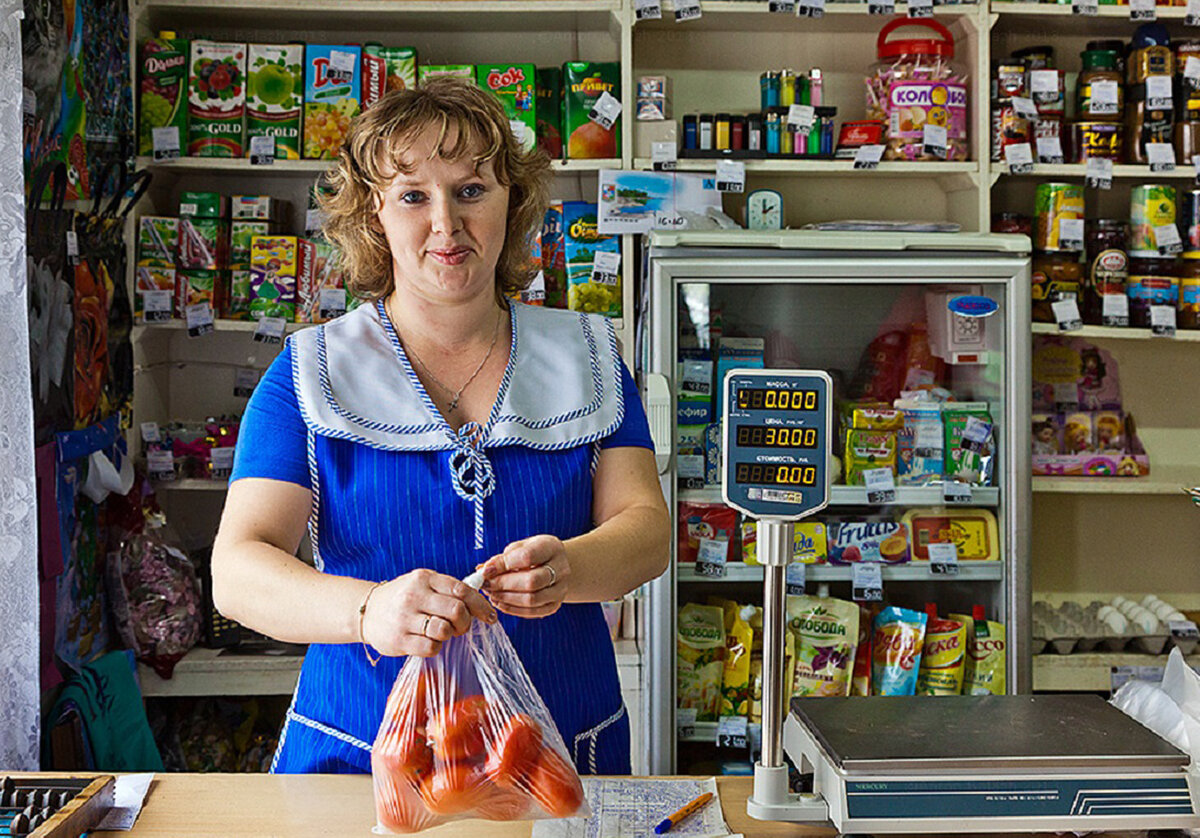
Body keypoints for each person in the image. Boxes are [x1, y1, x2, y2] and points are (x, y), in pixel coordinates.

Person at [211, 78, 670, 776]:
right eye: (413, 195)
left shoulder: (590, 357)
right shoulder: (310, 373)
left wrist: (574, 568)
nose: (446, 225)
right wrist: (370, 611)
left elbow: (646, 530)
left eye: (471, 190)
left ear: (511, 199)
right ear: (375, 212)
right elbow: (239, 570)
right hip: (364, 759)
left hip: (559, 753)